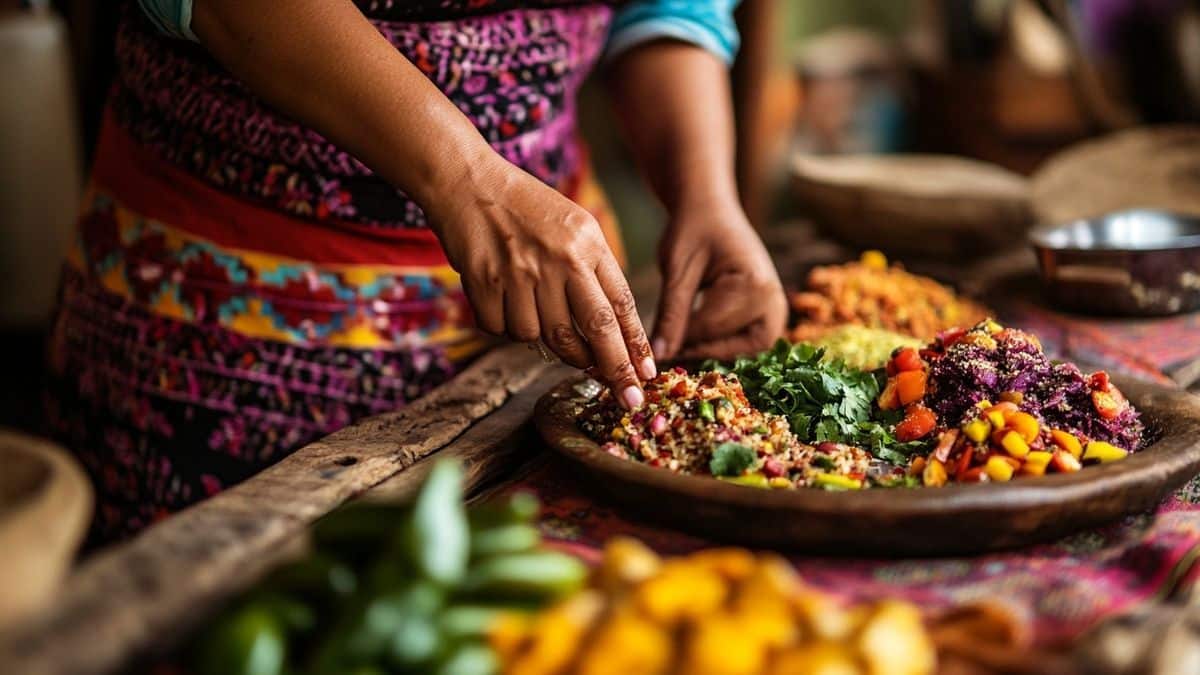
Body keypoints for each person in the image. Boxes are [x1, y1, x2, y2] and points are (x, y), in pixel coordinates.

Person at [46, 0, 787, 540]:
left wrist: (705, 194)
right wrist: (471, 181)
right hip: (227, 324)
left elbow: (664, 8)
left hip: (541, 320)